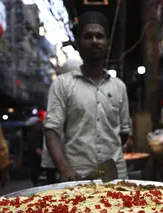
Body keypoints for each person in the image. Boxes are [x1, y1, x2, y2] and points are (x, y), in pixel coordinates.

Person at [44, 11, 131, 182]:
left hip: (115, 178)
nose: (94, 41)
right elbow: (52, 130)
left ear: (108, 43)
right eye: (88, 36)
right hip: (77, 177)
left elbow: (123, 133)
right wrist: (64, 168)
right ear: (78, 44)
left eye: (99, 36)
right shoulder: (62, 84)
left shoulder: (119, 87)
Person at [41, 59, 83, 185]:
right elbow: (51, 132)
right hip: (58, 163)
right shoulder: (61, 89)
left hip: (65, 163)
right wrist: (63, 168)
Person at [27, 116, 45, 186]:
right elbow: (37, 149)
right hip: (36, 161)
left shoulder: (40, 132)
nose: (41, 124)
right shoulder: (34, 134)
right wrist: (46, 158)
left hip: (38, 160)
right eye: (39, 123)